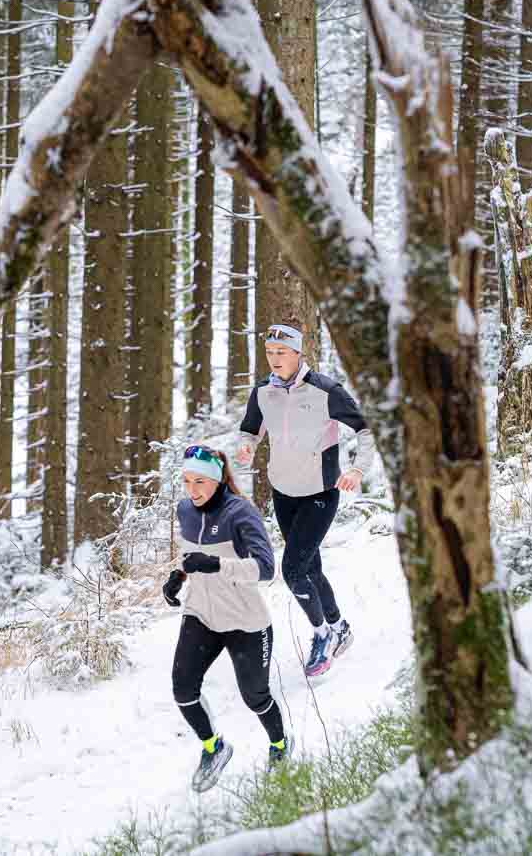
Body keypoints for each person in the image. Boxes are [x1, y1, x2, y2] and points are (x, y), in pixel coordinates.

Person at [236, 317, 374, 678]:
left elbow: (366, 429)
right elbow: (250, 430)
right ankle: (340, 626)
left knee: (293, 571)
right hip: (283, 493)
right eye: (269, 352)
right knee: (310, 567)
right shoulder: (263, 391)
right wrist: (246, 447)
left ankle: (322, 634)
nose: (274, 358)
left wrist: (357, 470)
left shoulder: (325, 390)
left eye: (281, 352)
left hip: (320, 493)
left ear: (298, 352)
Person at [163, 444, 289, 793]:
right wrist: (178, 576)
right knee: (183, 689)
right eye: (186, 481)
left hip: (245, 619)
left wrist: (217, 565)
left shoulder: (240, 513)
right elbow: (189, 554)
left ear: (217, 480)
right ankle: (214, 747)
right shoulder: (185, 510)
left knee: (255, 697)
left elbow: (266, 569)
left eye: (200, 482)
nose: (192, 490)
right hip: (201, 613)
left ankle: (280, 745)